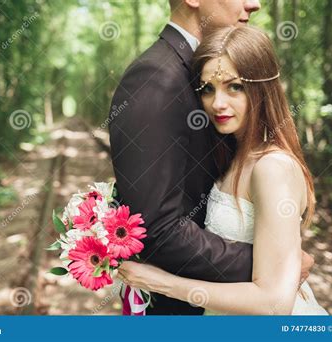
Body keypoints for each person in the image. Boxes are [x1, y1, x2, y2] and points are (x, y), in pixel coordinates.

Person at [108, 0, 314, 315]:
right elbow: (157, 221)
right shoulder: (156, 77)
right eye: (207, 89)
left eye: (235, 87)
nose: (255, 4)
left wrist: (278, 264)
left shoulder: (269, 163)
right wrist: (275, 261)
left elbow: (274, 298)